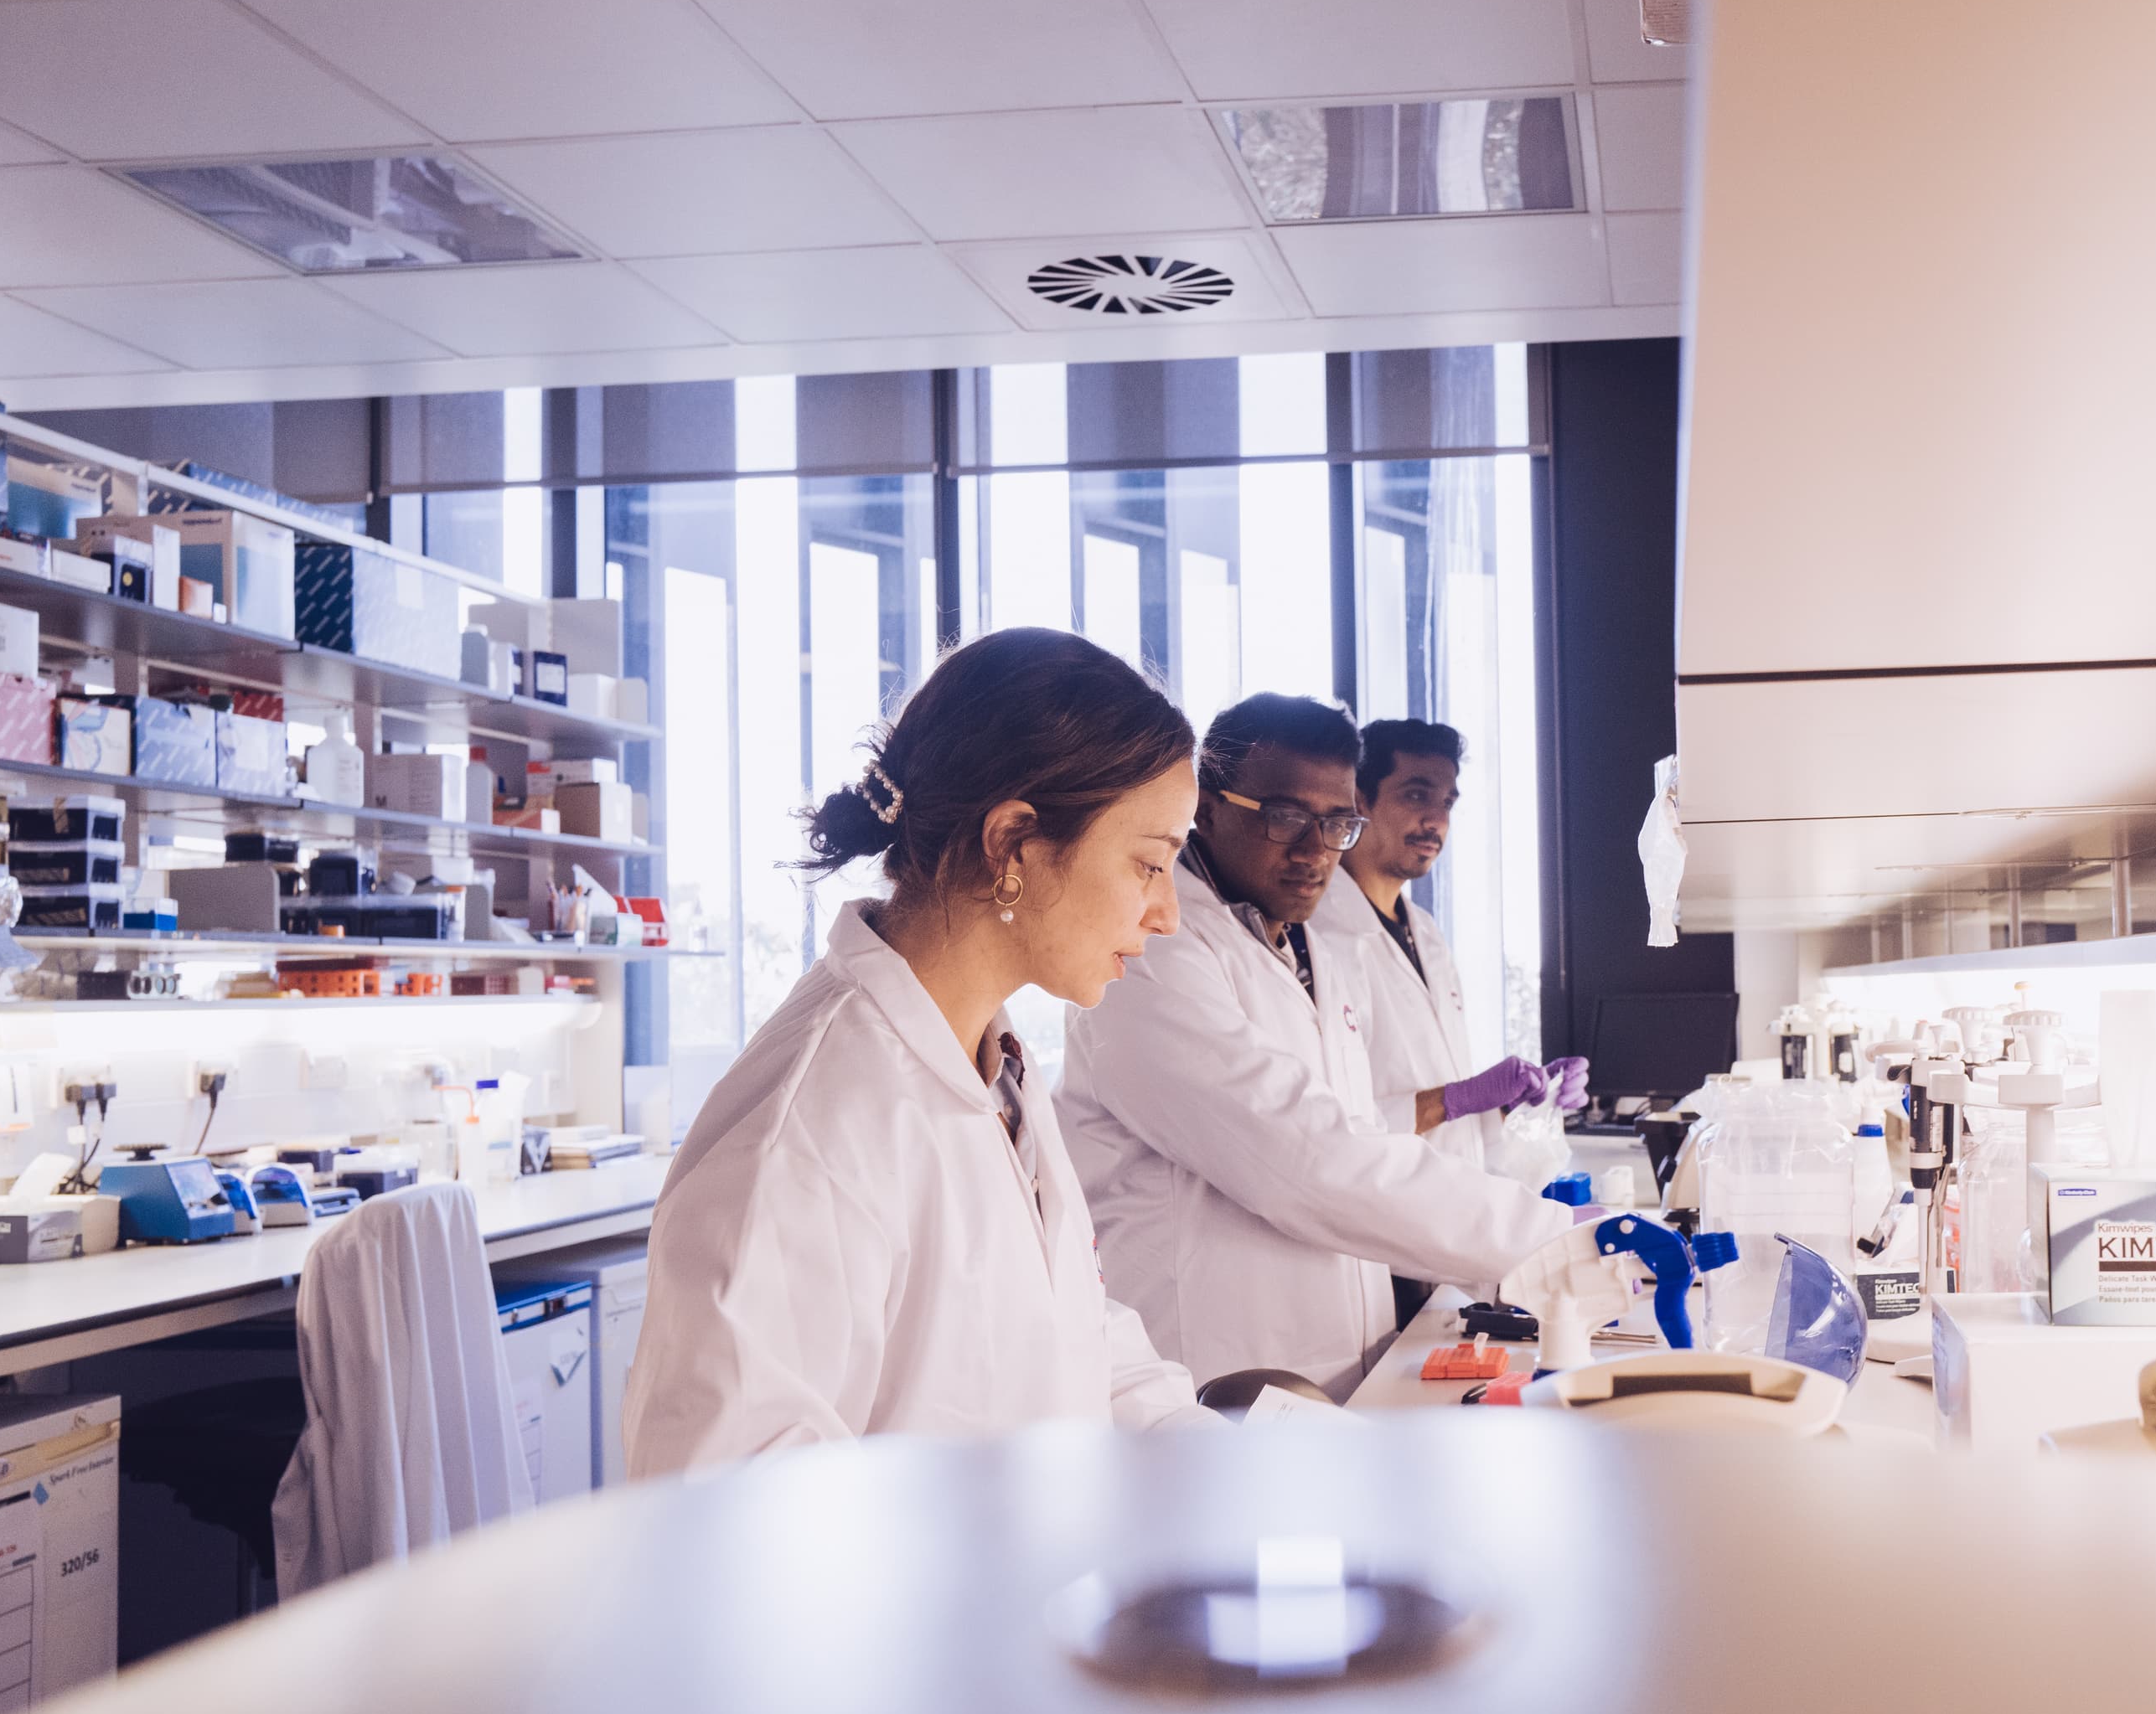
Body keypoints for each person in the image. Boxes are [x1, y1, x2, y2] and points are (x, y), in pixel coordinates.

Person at [623, 627, 1208, 1474]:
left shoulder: (992, 1065)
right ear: (1013, 844)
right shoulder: (814, 1127)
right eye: (1149, 866)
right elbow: (734, 1517)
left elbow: (1078, 1340)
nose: (1168, 915)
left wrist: (1241, 1471)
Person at [1058, 694, 1578, 1399]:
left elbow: (1355, 1132)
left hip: (1336, 1357)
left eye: (1336, 824)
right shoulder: (1154, 951)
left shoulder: (1306, 943)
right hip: (1211, 1369)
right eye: (1284, 817)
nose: (1313, 850)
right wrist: (1554, 1237)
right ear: (1207, 810)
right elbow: (1304, 1155)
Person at [1309, 718, 1588, 1323]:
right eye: (1416, 795)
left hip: (1447, 1238)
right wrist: (1462, 1097)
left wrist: (1516, 1102)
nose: (1436, 821)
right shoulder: (1318, 935)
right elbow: (1328, 1131)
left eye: (1447, 802)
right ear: (1358, 801)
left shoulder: (1426, 934)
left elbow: (1442, 1102)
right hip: (1376, 1249)